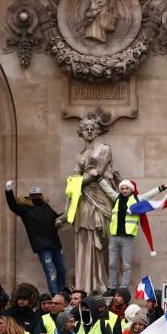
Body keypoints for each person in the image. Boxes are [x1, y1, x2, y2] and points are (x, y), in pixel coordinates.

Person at [59, 115, 118, 293]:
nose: (90, 131)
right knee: (85, 238)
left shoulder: (104, 149)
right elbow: (75, 181)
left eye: (93, 128)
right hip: (84, 200)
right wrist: (66, 211)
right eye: (86, 128)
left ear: (98, 130)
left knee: (100, 240)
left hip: (101, 199)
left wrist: (75, 182)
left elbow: (97, 172)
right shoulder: (80, 155)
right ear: (81, 133)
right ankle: (85, 284)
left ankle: (101, 282)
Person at [98, 180, 167, 296]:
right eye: (122, 188)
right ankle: (111, 287)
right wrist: (98, 178)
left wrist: (162, 187)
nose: (124, 190)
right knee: (112, 263)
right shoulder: (116, 197)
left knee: (126, 265)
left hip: (127, 238)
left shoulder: (137, 199)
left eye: (127, 188)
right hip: (114, 236)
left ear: (131, 189)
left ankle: (123, 288)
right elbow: (107, 189)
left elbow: (149, 194)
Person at [5, 182, 66, 294]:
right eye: (34, 195)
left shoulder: (46, 207)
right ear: (30, 197)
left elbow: (55, 218)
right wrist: (9, 191)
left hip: (55, 244)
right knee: (51, 273)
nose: (37, 197)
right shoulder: (25, 210)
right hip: (43, 247)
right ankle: (55, 295)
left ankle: (62, 294)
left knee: (62, 270)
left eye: (38, 195)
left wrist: (66, 215)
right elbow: (13, 205)